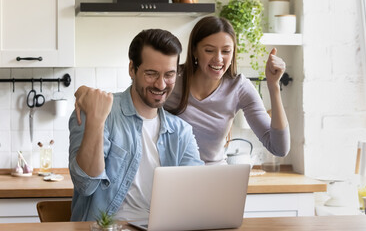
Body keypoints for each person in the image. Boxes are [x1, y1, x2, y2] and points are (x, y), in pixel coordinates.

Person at [75, 16, 290, 165]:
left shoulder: (239, 87)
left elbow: (279, 148)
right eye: (209, 50)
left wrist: (273, 86)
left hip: (212, 176)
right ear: (194, 50)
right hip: (169, 174)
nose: (218, 59)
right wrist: (84, 93)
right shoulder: (171, 78)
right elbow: (132, 102)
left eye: (226, 51)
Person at [68, 29, 204, 222]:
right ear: (132, 69)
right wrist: (96, 121)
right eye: (151, 74)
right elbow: (85, 185)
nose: (161, 84)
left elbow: (197, 194)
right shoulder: (99, 111)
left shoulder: (181, 132)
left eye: (169, 74)